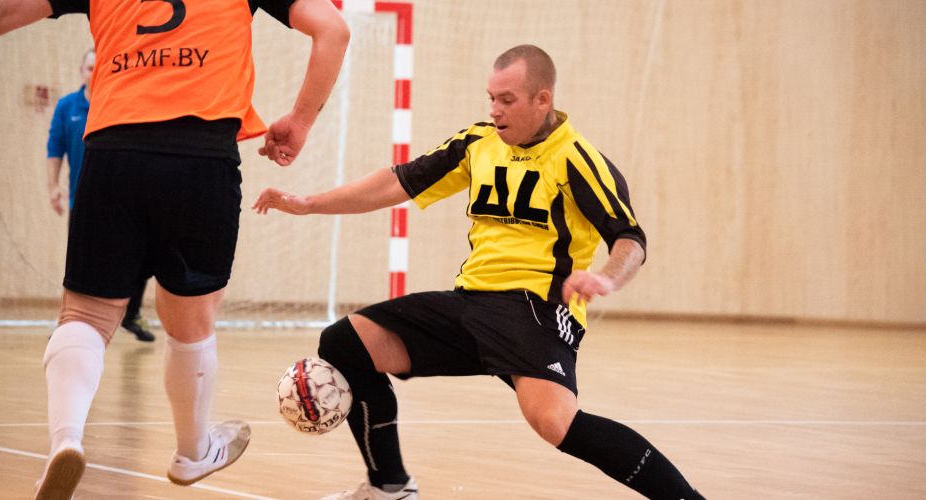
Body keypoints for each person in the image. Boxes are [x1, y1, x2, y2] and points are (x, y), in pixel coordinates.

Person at [253, 44, 705, 500]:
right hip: (469, 303)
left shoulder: (577, 159)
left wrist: (606, 277)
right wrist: (309, 204)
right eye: (491, 98)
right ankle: (388, 486)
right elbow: (398, 180)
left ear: (542, 100)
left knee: (554, 423)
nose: (494, 110)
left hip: (535, 310)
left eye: (507, 100)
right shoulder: (477, 143)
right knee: (346, 342)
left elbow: (630, 239)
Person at [0, 0, 349, 498]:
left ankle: (66, 440)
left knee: (87, 315)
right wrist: (300, 121)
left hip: (113, 151)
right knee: (191, 320)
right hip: (201, 158)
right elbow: (333, 30)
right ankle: (192, 451)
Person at [47, 48, 155, 342]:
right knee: (78, 264)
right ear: (81, 71)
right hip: (82, 199)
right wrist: (53, 186)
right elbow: (55, 148)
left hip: (127, 197)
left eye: (99, 66)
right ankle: (67, 323)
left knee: (141, 259)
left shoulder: (123, 101)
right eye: (89, 67)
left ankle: (131, 315)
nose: (94, 73)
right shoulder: (67, 106)